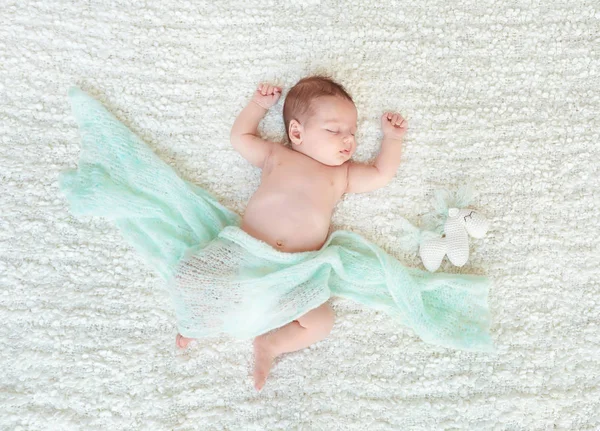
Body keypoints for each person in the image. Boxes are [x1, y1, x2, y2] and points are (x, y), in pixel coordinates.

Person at [176, 75, 408, 391]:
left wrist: (391, 140)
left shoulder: (341, 175)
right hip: (247, 252)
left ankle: (271, 344)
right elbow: (240, 136)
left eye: (353, 132)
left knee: (321, 322)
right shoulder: (277, 156)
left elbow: (381, 174)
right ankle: (197, 323)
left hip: (295, 271)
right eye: (334, 130)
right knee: (196, 275)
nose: (348, 140)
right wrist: (258, 105)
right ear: (296, 132)